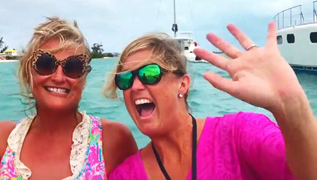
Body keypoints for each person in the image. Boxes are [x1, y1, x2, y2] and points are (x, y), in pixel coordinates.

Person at [0, 17, 137, 180]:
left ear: (84, 78)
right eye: (45, 64)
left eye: (73, 67)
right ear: (28, 73)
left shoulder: (113, 139)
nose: (59, 77)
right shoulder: (0, 141)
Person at [105, 22, 317, 180]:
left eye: (149, 74)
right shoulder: (126, 175)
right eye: (124, 79)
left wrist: (292, 105)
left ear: (183, 84)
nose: (135, 86)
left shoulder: (238, 135)